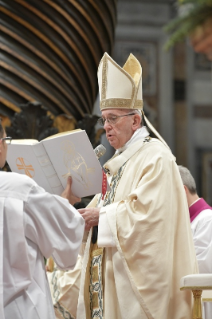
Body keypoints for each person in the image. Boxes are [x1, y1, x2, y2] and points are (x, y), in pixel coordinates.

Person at [76, 52, 198, 319]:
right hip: (110, 282)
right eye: (104, 119)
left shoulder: (156, 157)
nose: (106, 127)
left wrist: (102, 216)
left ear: (135, 120)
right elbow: (108, 206)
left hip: (137, 291)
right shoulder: (120, 160)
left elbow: (150, 219)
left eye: (113, 118)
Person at [0, 119, 85, 319]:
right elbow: (65, 235)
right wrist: (65, 203)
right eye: (6, 140)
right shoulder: (18, 188)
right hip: (20, 307)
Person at [178, 165, 212, 318]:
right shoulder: (189, 221)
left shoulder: (206, 220)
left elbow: (199, 267)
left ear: (183, 191)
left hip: (202, 302)